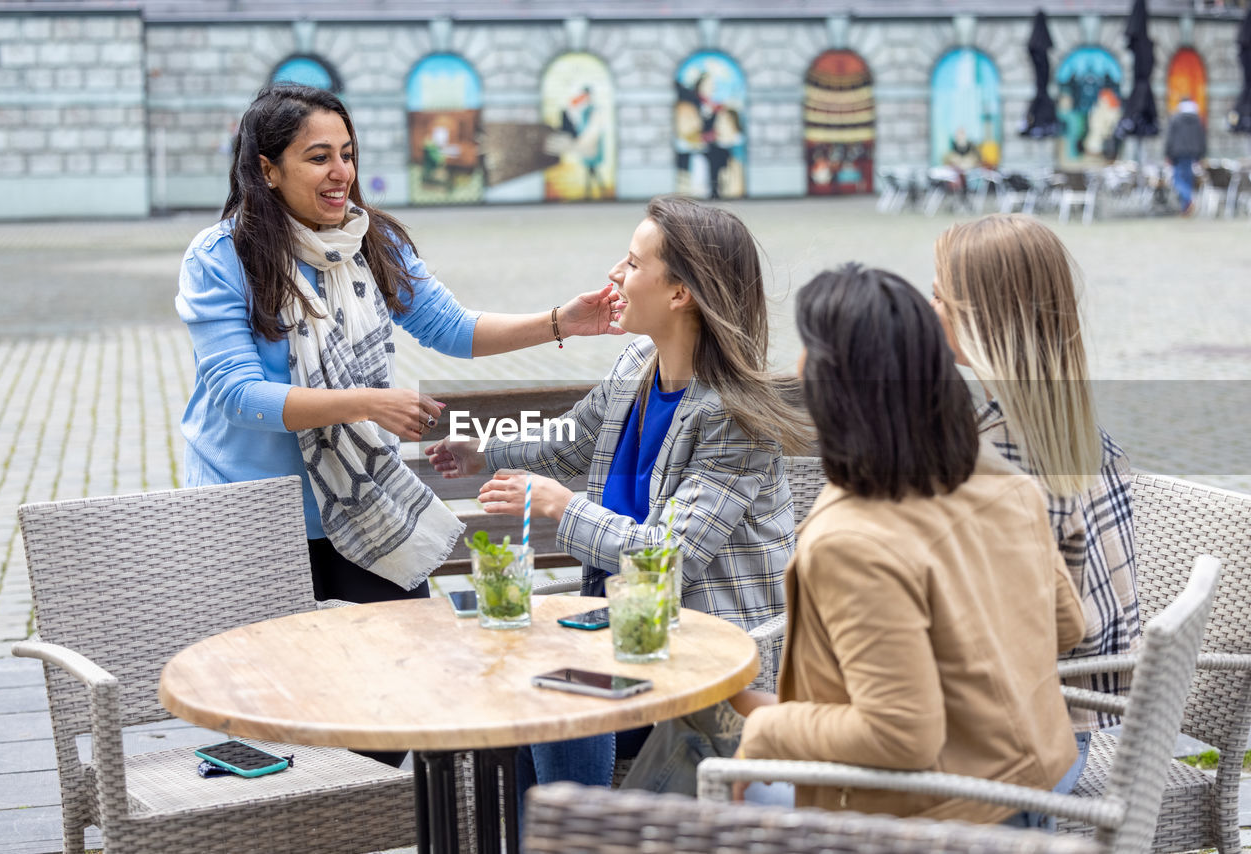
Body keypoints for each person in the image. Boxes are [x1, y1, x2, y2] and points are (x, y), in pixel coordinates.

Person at [176, 83, 623, 609]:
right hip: (253, 515)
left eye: (347, 155)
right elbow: (238, 396)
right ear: (267, 170)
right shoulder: (221, 257)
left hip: (365, 496)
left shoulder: (372, 242)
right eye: (318, 158)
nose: (341, 171)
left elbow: (452, 328)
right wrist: (368, 403)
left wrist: (560, 322)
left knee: (405, 664)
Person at [426, 195, 809, 794]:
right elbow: (575, 437)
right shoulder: (638, 361)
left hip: (703, 661)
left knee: (560, 702)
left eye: (631, 264)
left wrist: (562, 506)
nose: (614, 274)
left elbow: (670, 556)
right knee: (521, 698)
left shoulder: (732, 418)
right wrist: (484, 450)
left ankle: (574, 834)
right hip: (622, 638)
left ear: (680, 293)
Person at [734, 263, 1085, 827]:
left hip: (946, 813)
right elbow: (1067, 626)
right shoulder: (1004, 479)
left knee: (688, 784)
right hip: (1040, 776)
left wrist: (766, 726)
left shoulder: (852, 541)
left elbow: (901, 734)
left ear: (826, 381)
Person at [931, 213, 1140, 791]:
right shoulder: (1084, 435)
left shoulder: (997, 460)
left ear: (980, 321)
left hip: (1026, 744)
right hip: (1086, 716)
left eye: (938, 298)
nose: (930, 314)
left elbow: (978, 641)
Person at [1165, 97, 1206, 214]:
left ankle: (1188, 200)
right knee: (1187, 180)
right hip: (1192, 153)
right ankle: (1185, 208)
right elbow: (1202, 138)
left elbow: (1170, 138)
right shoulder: (1197, 119)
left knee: (1177, 179)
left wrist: (1168, 153)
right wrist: (1201, 154)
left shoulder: (1176, 119)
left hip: (1177, 153)